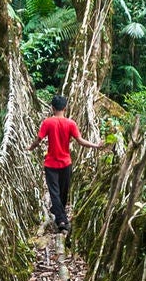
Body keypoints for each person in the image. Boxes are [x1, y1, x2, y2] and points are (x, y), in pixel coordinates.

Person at [35, 92, 101, 233]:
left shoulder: (47, 122)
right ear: (65, 108)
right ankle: (62, 220)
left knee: (55, 193)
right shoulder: (70, 123)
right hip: (66, 163)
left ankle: (59, 215)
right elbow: (80, 141)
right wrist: (95, 145)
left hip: (51, 165)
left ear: (52, 108)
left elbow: (38, 140)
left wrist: (30, 147)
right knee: (62, 193)